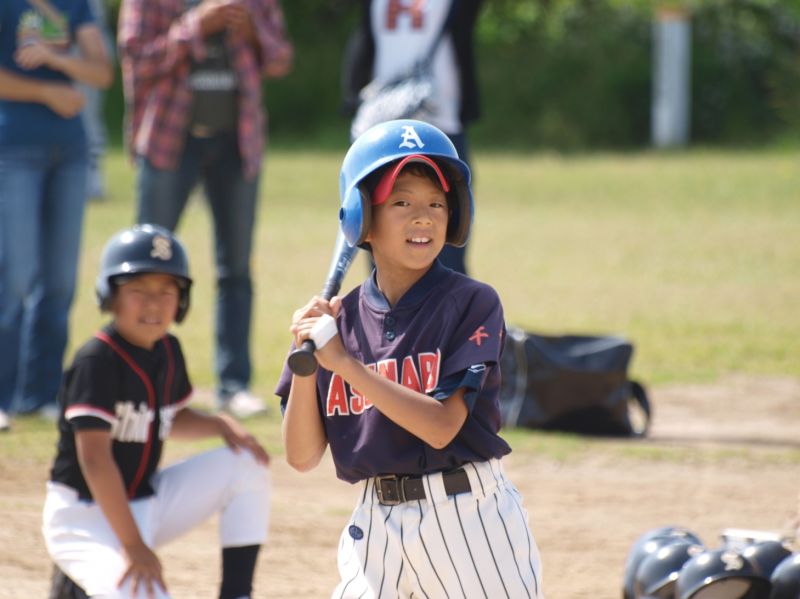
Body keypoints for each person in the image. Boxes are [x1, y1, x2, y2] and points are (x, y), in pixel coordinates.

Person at [276, 120, 543, 598]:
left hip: (468, 521)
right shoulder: (340, 323)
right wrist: (306, 360)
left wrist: (345, 364)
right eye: (402, 203)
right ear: (362, 217)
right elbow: (301, 456)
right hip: (374, 527)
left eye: (436, 204)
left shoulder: (471, 302)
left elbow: (442, 427)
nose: (424, 218)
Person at [43, 224, 271, 599]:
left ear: (181, 301)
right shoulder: (97, 360)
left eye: (167, 291)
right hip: (84, 516)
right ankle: (77, 575)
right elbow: (95, 460)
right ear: (110, 296)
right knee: (143, 592)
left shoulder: (167, 349)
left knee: (247, 464)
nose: (153, 303)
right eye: (138, 290)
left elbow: (168, 418)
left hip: (145, 503)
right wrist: (134, 547)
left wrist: (220, 424)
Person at [117, 0, 293, 418]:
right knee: (145, 266)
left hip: (237, 142)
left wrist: (251, 32)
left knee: (236, 270)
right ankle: (137, 380)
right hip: (169, 140)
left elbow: (281, 59)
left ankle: (234, 386)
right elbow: (137, 58)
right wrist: (195, 26)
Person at [0, 0, 113, 432]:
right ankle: (3, 397)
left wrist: (55, 59)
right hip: (13, 151)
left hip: (70, 152)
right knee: (13, 277)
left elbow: (101, 73)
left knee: (60, 281)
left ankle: (40, 395)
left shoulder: (75, 4)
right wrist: (46, 91)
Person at [341, 0, 484, 275]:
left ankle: (428, 302)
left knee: (422, 235)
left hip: (422, 127)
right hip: (404, 127)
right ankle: (394, 302)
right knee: (388, 234)